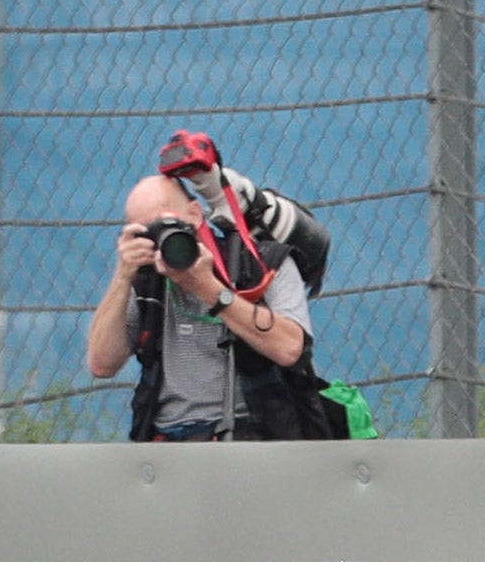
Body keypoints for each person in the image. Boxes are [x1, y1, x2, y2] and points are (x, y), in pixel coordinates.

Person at [84, 173, 313, 440]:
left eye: (166, 223)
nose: (161, 239)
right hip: (168, 438)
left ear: (195, 214)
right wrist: (123, 277)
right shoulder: (145, 281)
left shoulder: (260, 265)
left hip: (251, 430)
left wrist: (207, 288)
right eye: (146, 232)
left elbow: (290, 349)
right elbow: (101, 365)